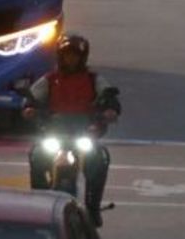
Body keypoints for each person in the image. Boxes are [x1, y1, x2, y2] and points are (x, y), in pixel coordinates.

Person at [24, 35, 120, 225]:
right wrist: (29, 108)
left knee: (100, 159)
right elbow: (31, 98)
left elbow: (110, 97)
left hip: (84, 134)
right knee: (36, 156)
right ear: (60, 56)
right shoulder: (49, 79)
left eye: (75, 55)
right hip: (54, 133)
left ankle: (93, 208)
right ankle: (39, 202)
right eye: (67, 55)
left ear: (82, 57)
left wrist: (111, 110)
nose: (71, 59)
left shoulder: (94, 79)